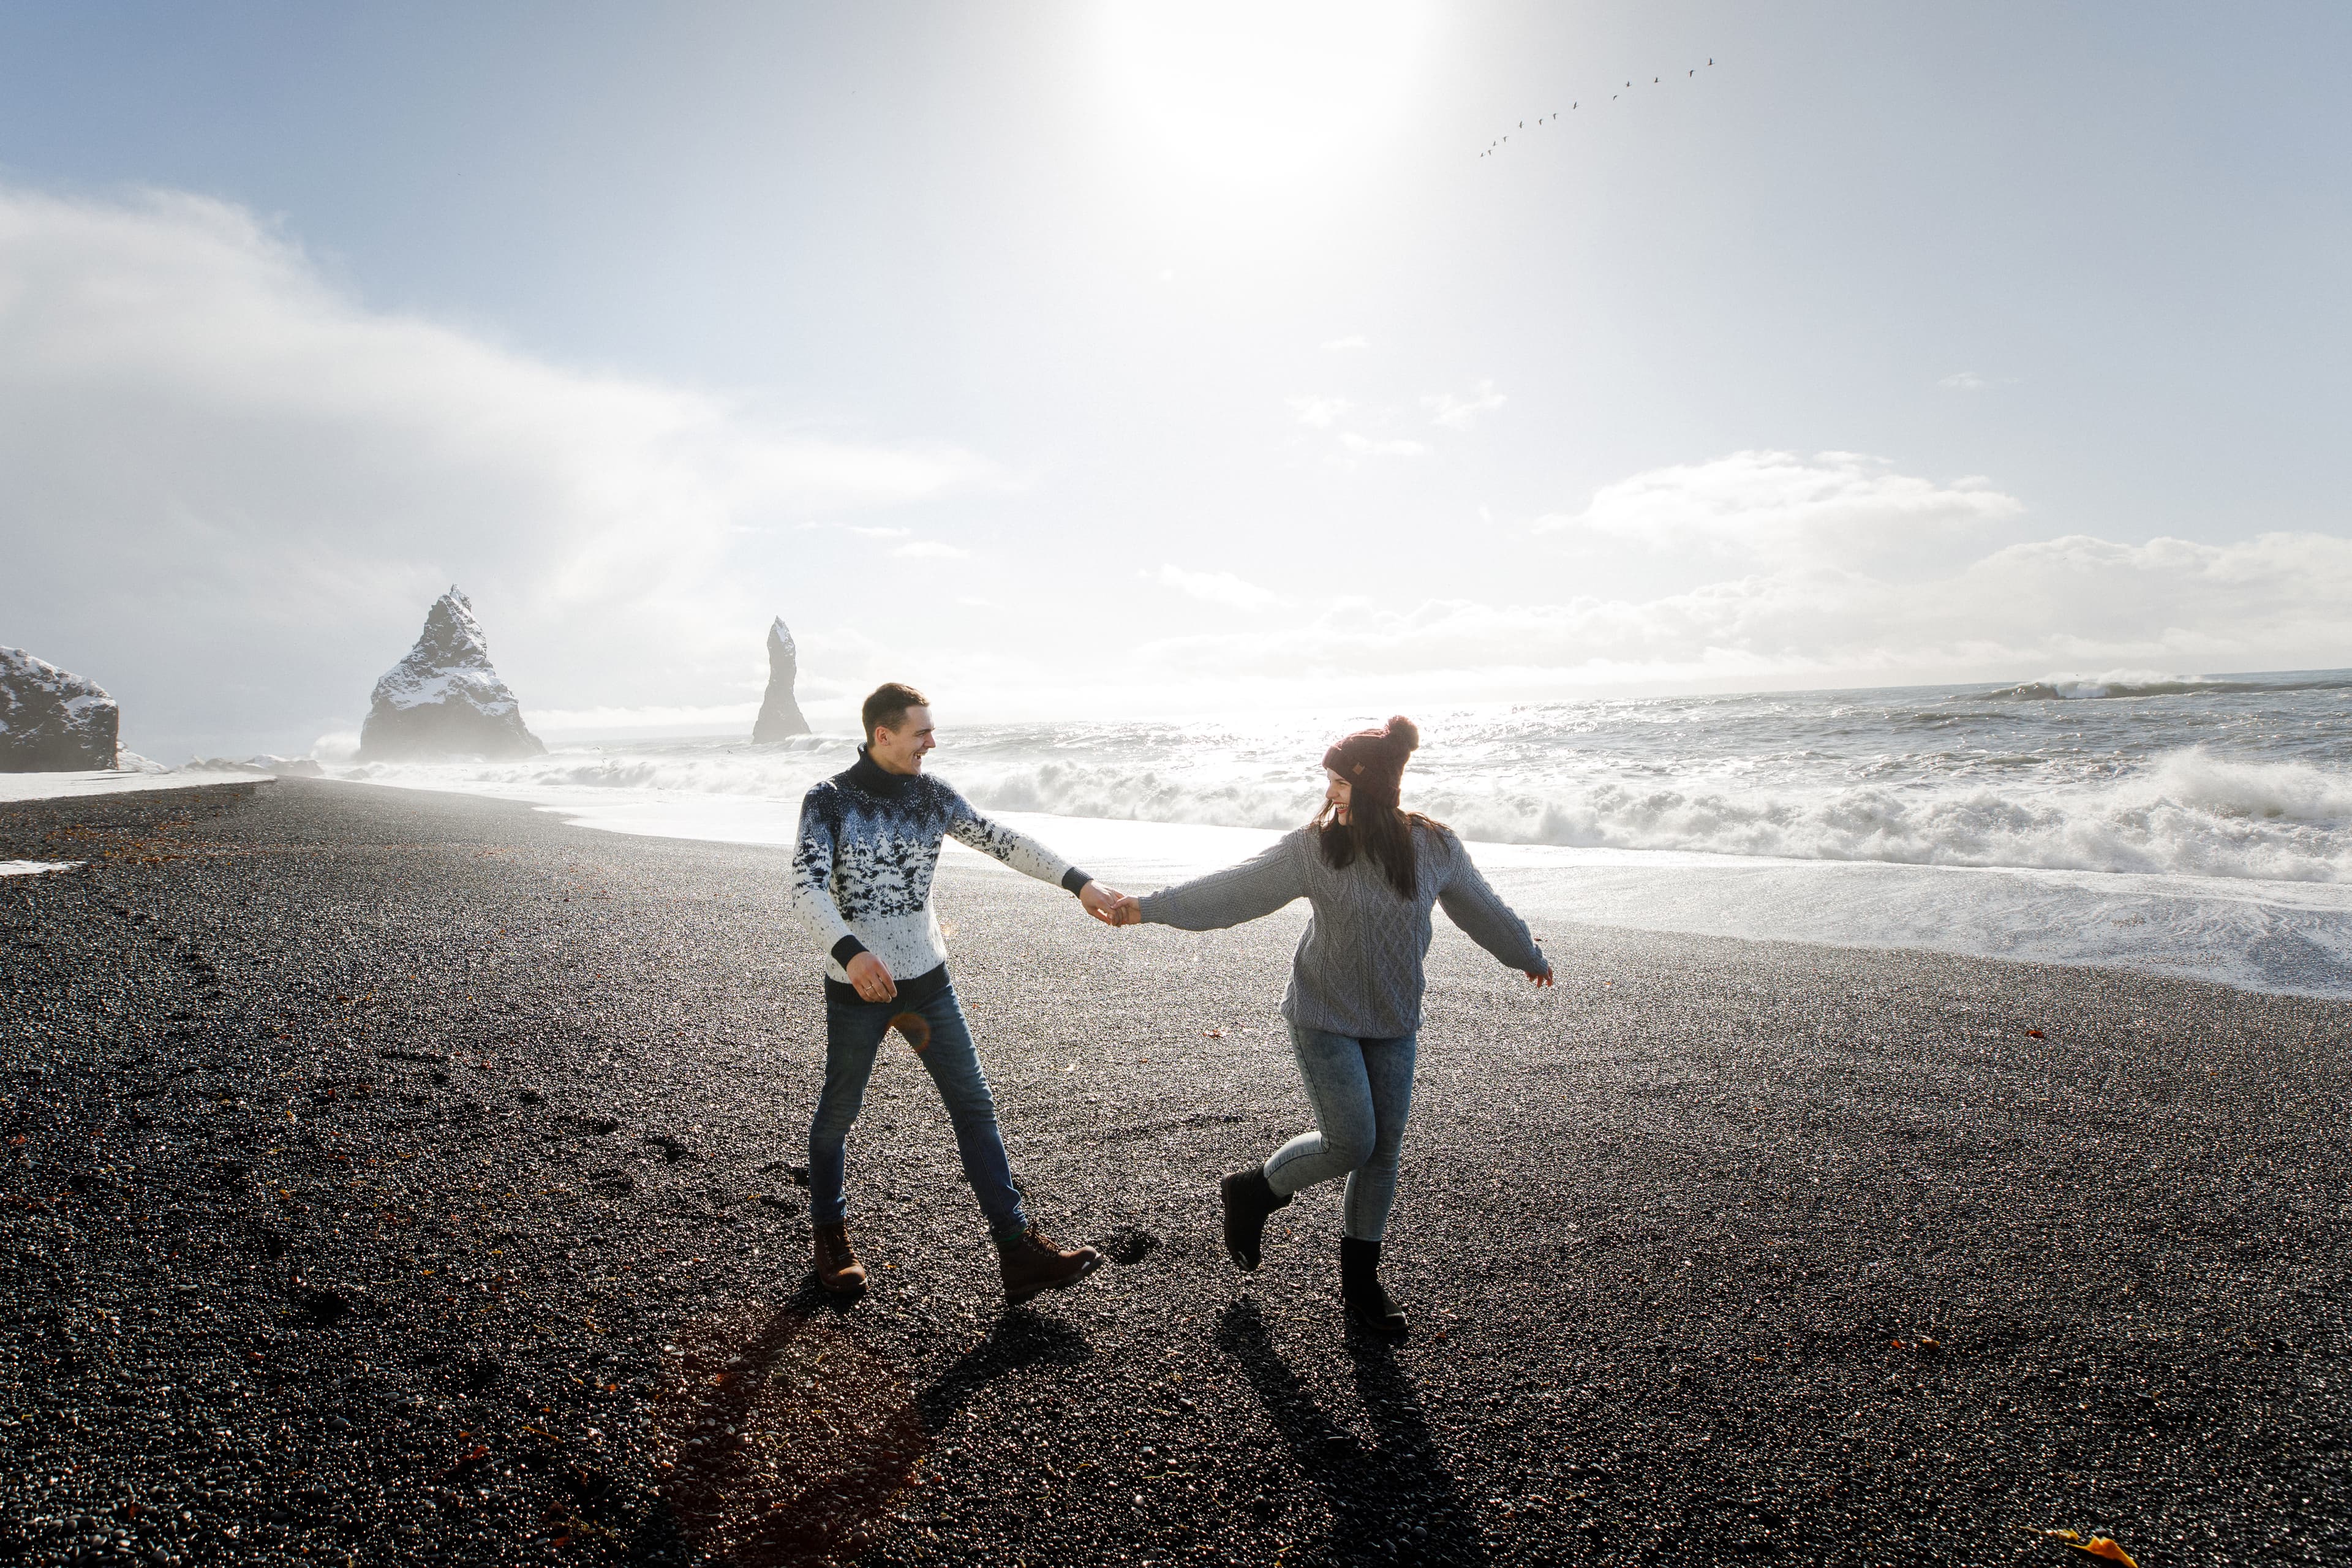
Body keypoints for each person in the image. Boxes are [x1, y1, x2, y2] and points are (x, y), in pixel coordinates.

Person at [1102, 717, 1551, 1335]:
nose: (1329, 794)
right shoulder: (1313, 849)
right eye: (1329, 782)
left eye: (1340, 783)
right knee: (1351, 1141)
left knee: (1382, 1150)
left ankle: (1361, 1283)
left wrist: (1526, 954)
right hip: (1323, 1017)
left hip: (1395, 1021)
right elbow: (1234, 891)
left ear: (1375, 787)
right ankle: (1255, 1191)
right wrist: (1148, 909)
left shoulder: (1434, 847)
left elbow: (1484, 908)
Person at [790, 682, 1124, 1305]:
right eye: (921, 732)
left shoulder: (933, 796)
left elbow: (1002, 840)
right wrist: (850, 952)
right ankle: (830, 1237)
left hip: (928, 983)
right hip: (857, 988)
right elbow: (804, 887)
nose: (932, 742)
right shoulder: (829, 800)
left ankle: (1017, 1248)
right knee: (839, 1111)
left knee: (974, 1108)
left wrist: (1079, 883)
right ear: (882, 734)